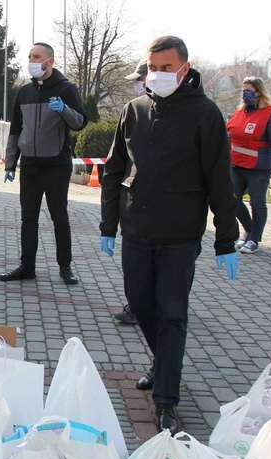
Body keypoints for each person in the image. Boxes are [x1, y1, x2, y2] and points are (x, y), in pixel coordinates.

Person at [99, 36, 240, 435]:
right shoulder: (134, 110)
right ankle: (164, 367)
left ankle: (166, 401)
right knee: (142, 306)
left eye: (165, 67)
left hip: (180, 235)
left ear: (184, 68)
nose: (156, 75)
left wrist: (225, 239)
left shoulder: (205, 114)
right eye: (152, 67)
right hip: (137, 231)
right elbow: (114, 170)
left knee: (173, 315)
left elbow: (219, 180)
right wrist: (109, 224)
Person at [0, 42, 87, 285]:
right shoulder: (25, 92)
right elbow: (16, 129)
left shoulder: (66, 89)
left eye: (36, 57)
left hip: (56, 164)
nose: (32, 61)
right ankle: (27, 267)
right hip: (29, 165)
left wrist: (64, 110)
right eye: (29, 57)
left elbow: (80, 122)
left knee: (59, 216)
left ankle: (65, 266)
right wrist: (10, 163)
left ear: (50, 61)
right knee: (28, 218)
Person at [227, 76, 271, 254]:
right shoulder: (240, 112)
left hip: (258, 167)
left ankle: (254, 239)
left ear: (259, 92)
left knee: (257, 203)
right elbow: (229, 135)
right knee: (232, 199)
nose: (245, 94)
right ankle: (249, 229)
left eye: (248, 91)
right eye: (243, 90)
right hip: (236, 164)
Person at [112, 59, 151, 324]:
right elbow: (117, 164)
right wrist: (108, 222)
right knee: (138, 270)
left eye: (141, 78)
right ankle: (137, 307)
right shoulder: (134, 111)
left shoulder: (200, 112)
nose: (138, 84)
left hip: (179, 218)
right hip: (138, 208)